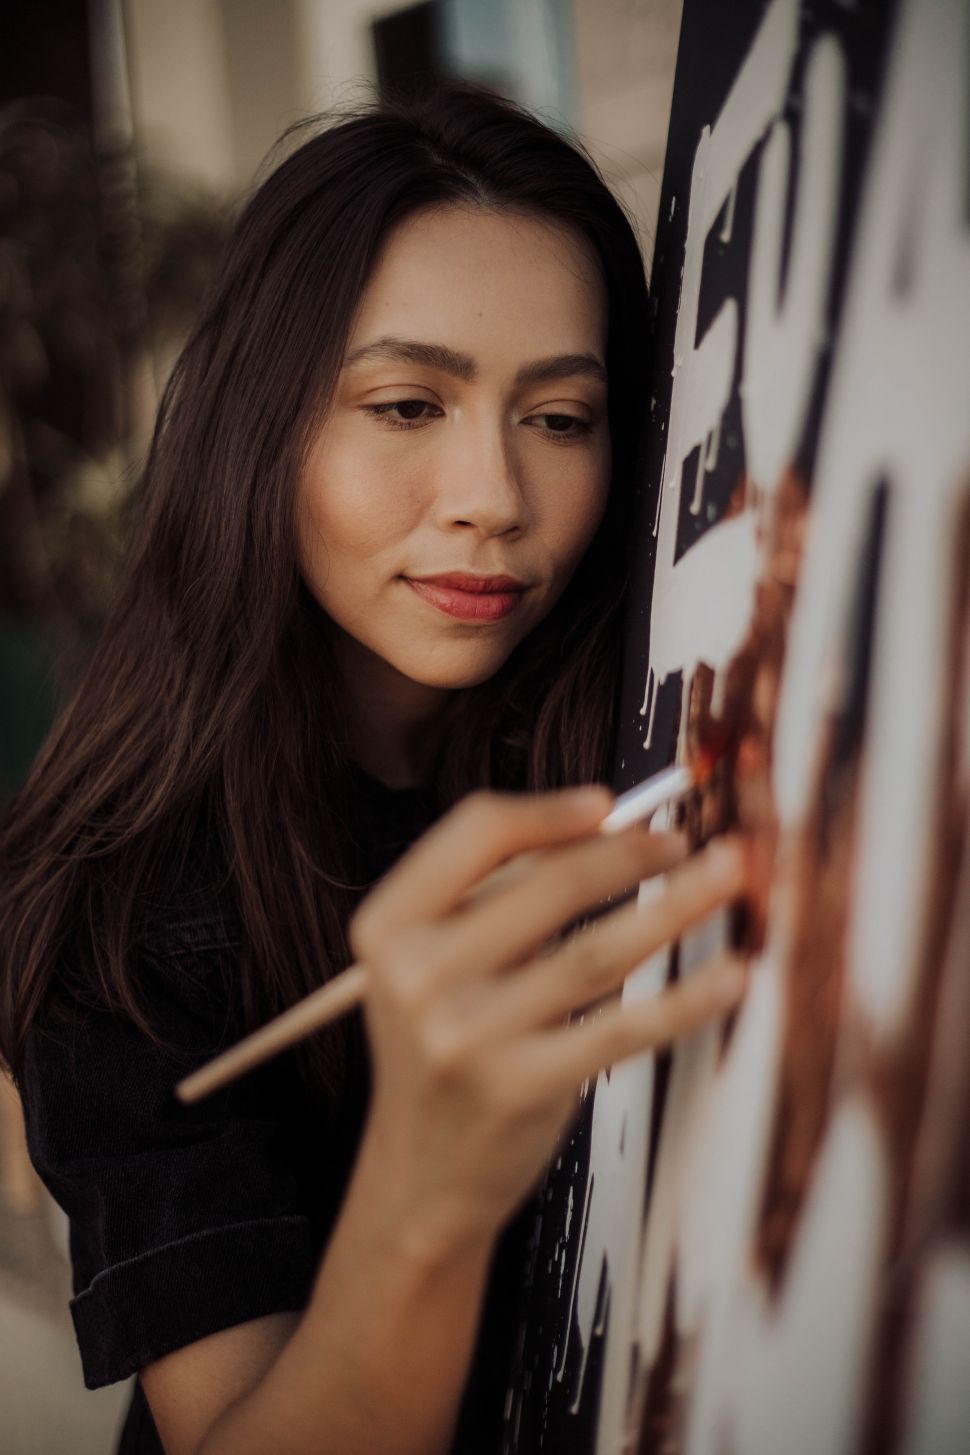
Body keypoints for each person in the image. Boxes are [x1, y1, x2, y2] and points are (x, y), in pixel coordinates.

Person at [0, 83, 749, 1455]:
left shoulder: (676, 726)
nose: (491, 498)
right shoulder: (120, 902)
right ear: (258, 428)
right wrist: (429, 1182)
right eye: (407, 404)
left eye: (561, 418)